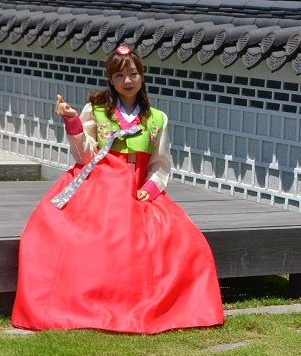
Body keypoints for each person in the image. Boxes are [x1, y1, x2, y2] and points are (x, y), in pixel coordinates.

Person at [12, 45, 224, 334]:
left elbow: (161, 162)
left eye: (133, 74)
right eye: (120, 75)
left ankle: (172, 307)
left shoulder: (157, 118)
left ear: (143, 76)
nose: (127, 80)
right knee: (61, 235)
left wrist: (150, 187)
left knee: (183, 240)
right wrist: (72, 119)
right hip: (97, 185)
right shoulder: (96, 110)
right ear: (110, 79)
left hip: (137, 189)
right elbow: (85, 156)